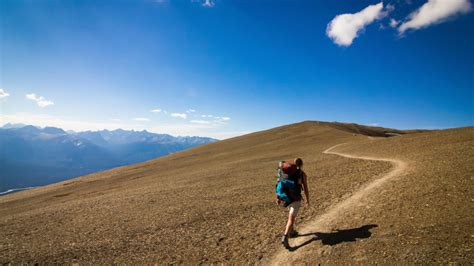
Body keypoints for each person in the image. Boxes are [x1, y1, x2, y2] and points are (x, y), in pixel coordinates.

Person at [281, 158, 310, 249]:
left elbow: (280, 183)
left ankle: (292, 232)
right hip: (295, 198)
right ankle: (285, 236)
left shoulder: (288, 173)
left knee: (291, 213)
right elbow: (305, 188)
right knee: (291, 218)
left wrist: (278, 197)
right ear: (301, 164)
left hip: (286, 197)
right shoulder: (302, 174)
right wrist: (307, 200)